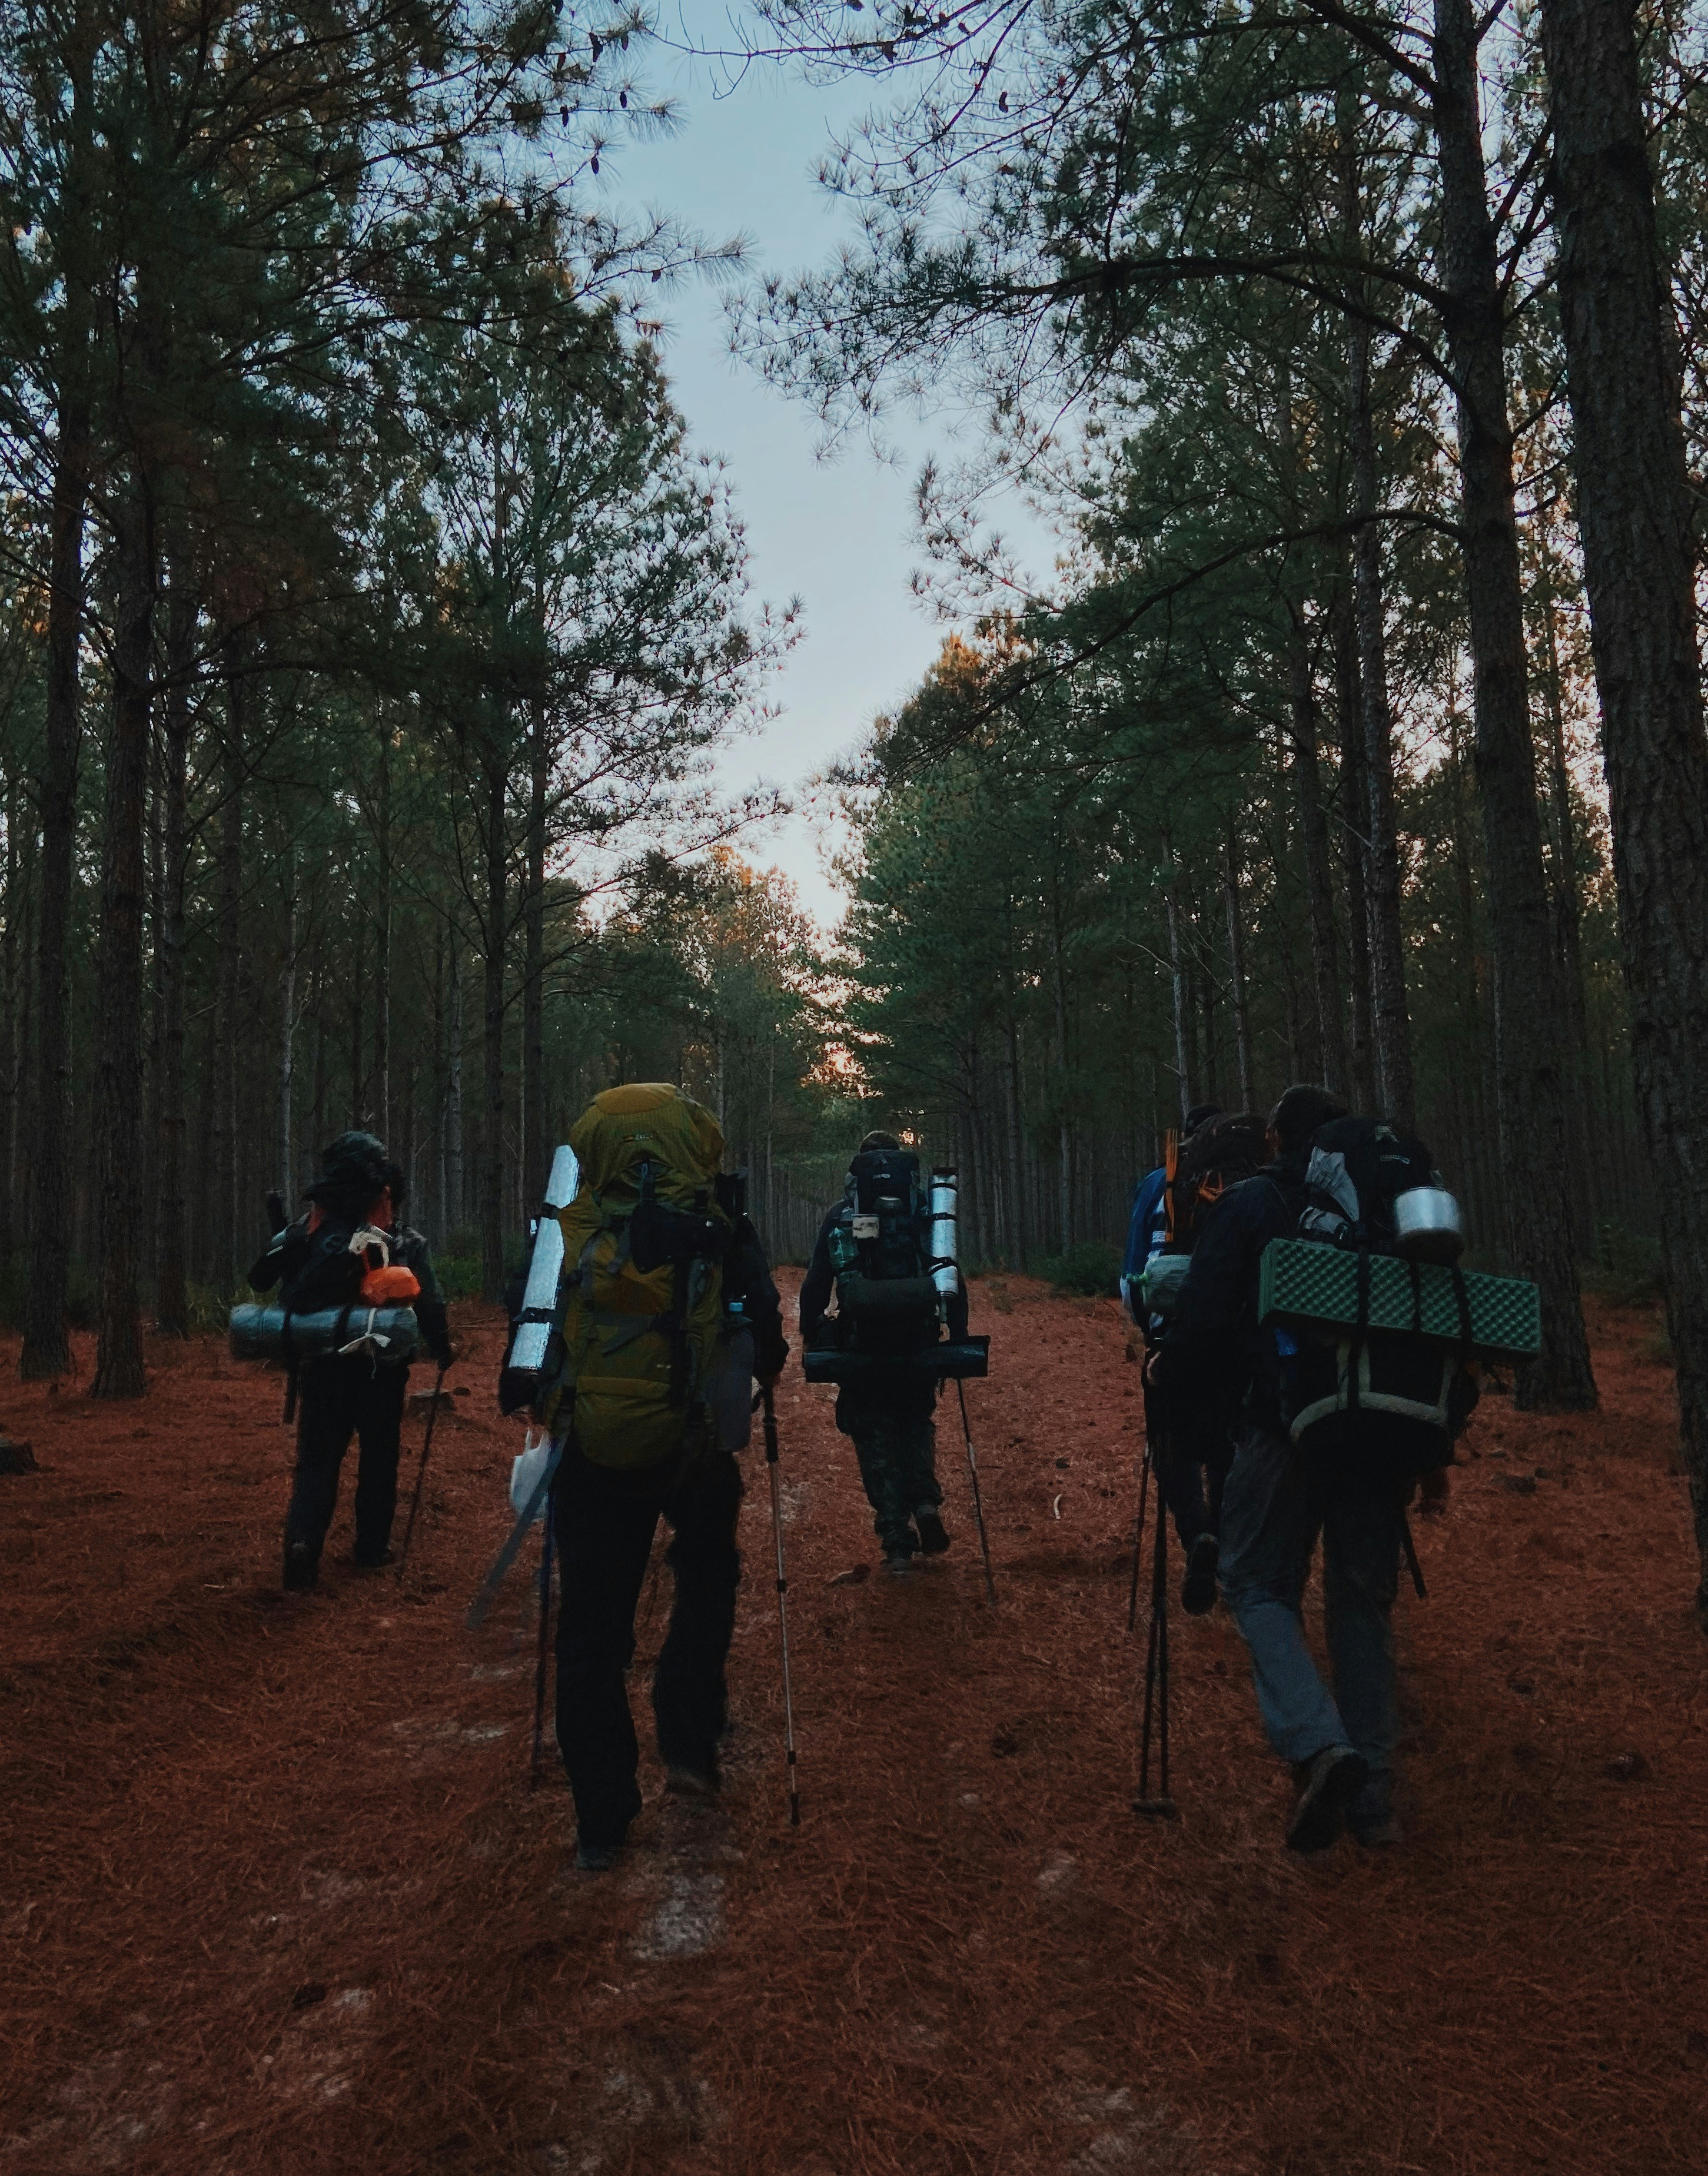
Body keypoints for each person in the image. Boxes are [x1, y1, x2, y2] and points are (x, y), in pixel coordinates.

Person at [1151, 1081, 1435, 1850]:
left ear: (1278, 1140)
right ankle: (1373, 1799)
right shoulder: (1383, 1209)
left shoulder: (1252, 1204)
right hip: (1380, 1426)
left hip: (1283, 1427)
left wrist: (1169, 1393)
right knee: (1359, 1601)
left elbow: (1204, 1320)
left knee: (1254, 1583)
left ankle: (1318, 1743)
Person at [546, 1084, 789, 1872]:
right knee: (707, 1571)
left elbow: (540, 1339)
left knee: (589, 1632)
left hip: (595, 1452)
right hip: (691, 1446)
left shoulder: (573, 1226)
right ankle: (688, 1738)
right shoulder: (718, 1222)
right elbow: (768, 1334)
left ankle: (600, 1823)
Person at [250, 1131, 453, 1592]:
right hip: (382, 1372)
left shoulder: (313, 1230)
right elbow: (431, 1304)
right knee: (379, 1459)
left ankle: (302, 1544)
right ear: (385, 1190)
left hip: (322, 1367)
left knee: (317, 1461)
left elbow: (265, 1278)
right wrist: (442, 1349)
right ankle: (372, 1548)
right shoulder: (403, 1239)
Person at [799, 1129, 951, 1576]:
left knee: (874, 1436)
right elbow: (947, 1273)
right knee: (914, 1421)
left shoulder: (842, 1214)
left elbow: (816, 1282)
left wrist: (814, 1332)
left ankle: (896, 1539)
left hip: (863, 1344)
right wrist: (953, 1333)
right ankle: (924, 1502)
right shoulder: (923, 1210)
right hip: (918, 1339)